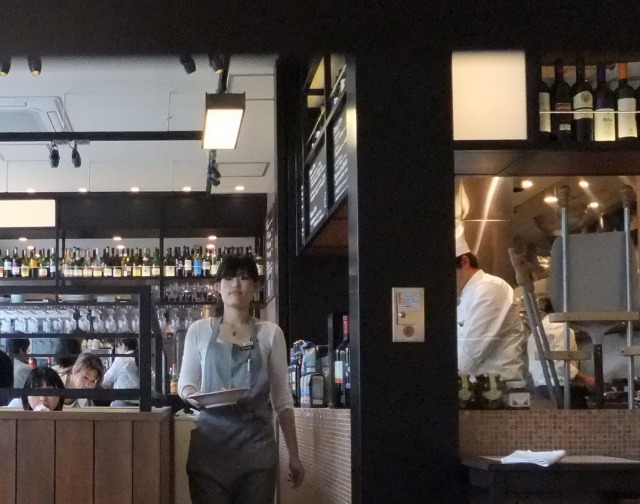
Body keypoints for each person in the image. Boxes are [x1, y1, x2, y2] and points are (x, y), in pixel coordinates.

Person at [179, 254, 305, 504]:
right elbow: (186, 384)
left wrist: (294, 455)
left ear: (256, 287)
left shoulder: (271, 333)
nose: (236, 284)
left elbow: (282, 399)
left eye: (244, 278)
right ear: (217, 286)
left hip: (257, 453)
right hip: (210, 450)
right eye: (228, 278)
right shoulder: (199, 330)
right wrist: (196, 397)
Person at [455, 225, 527, 382]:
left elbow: (468, 355)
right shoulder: (468, 294)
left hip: (499, 389)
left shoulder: (489, 288)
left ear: (464, 261)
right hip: (478, 387)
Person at [528, 299, 595, 408]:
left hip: (540, 392)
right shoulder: (561, 328)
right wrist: (586, 379)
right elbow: (561, 363)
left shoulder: (537, 330)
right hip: (561, 391)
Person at [102, 338, 139, 406]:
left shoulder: (122, 358)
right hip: (141, 403)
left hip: (123, 402)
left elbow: (108, 379)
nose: (117, 351)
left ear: (123, 346)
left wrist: (97, 383)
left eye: (118, 347)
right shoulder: (141, 358)